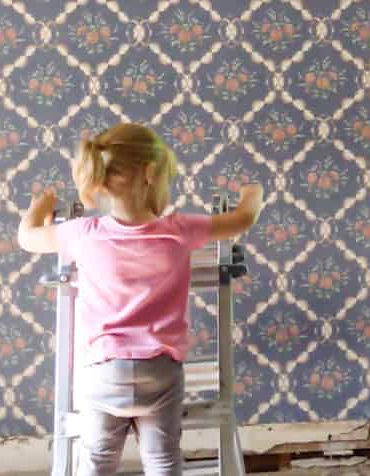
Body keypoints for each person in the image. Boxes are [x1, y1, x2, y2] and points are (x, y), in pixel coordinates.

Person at [17, 123, 263, 476]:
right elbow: (242, 219)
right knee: (163, 460)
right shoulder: (180, 230)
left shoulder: (82, 234)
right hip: (160, 370)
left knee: (98, 460)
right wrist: (252, 193)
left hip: (103, 370)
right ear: (151, 173)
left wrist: (41, 207)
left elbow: (27, 237)